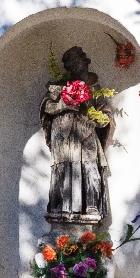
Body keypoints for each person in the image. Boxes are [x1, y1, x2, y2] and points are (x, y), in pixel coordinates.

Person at [41, 46, 111, 222]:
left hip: (86, 134)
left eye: (76, 63)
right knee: (62, 170)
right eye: (70, 65)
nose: (74, 68)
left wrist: (97, 119)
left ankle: (91, 206)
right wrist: (62, 105)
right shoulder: (59, 87)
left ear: (84, 62)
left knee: (90, 170)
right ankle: (59, 209)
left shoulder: (95, 89)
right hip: (63, 135)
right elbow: (46, 106)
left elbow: (106, 114)